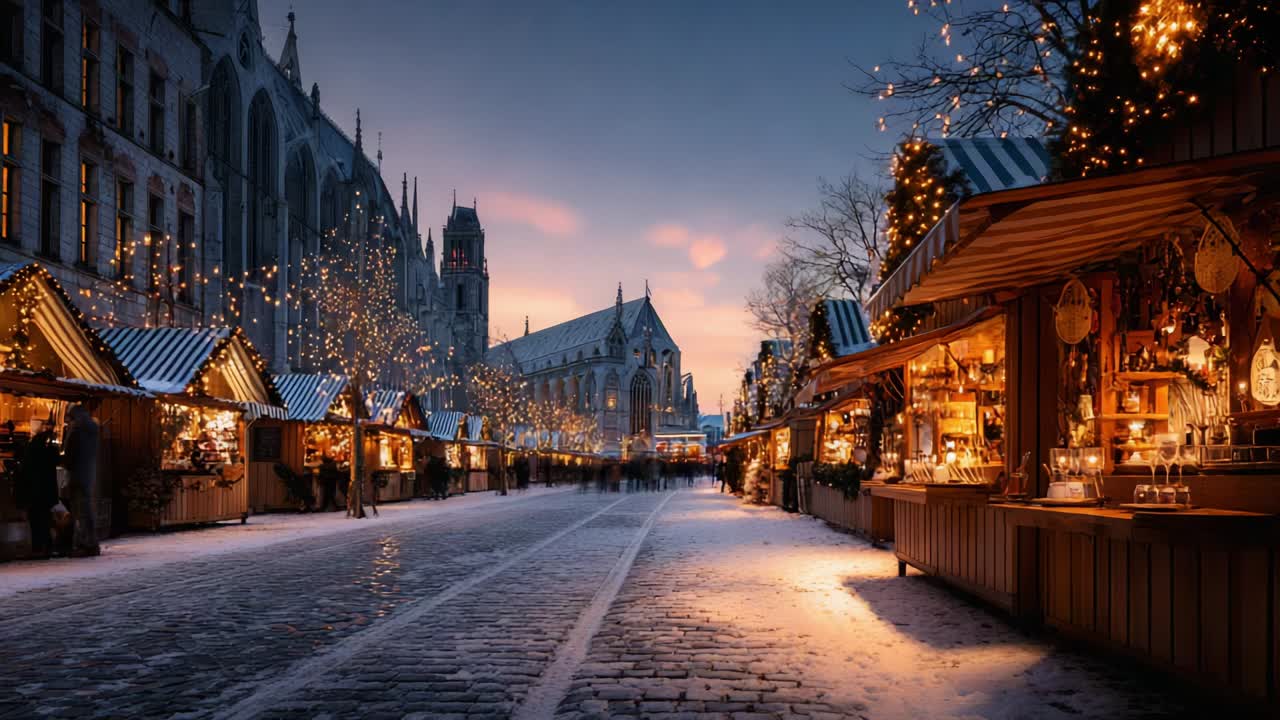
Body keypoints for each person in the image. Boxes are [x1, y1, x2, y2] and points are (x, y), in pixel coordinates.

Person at [63, 405, 101, 557]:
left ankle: (83, 544)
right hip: (89, 474)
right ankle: (91, 543)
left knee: (79, 511)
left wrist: (65, 464)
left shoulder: (76, 430)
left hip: (77, 474)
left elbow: (69, 455)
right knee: (87, 509)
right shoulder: (92, 429)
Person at [17, 426, 59, 558]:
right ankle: (47, 546)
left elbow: (25, 472)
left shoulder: (32, 451)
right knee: (45, 519)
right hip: (46, 493)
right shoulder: (50, 452)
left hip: (35, 492)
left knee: (36, 520)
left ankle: (37, 547)